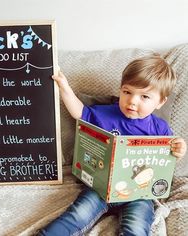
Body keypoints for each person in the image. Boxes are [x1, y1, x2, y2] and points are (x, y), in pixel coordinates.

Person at [38, 54, 187, 236]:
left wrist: (179, 150)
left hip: (138, 194)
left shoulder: (160, 128)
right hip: (100, 187)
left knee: (137, 225)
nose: (132, 101)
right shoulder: (105, 113)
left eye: (144, 97)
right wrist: (64, 87)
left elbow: (167, 160)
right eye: (127, 92)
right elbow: (79, 113)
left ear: (160, 102)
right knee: (77, 214)